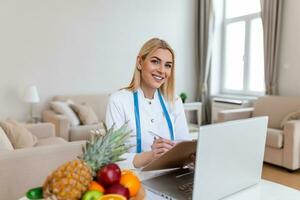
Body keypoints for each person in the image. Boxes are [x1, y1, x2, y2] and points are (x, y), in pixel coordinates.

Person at [106, 38, 190, 168]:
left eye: (168, 65)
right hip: (133, 180)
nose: (162, 70)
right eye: (155, 62)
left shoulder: (175, 101)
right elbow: (113, 157)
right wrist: (151, 155)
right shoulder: (118, 100)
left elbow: (184, 144)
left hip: (169, 175)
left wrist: (190, 155)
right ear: (140, 62)